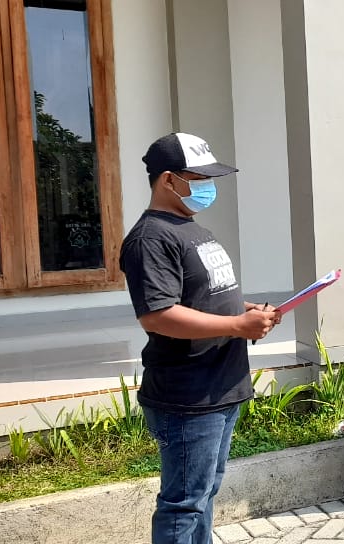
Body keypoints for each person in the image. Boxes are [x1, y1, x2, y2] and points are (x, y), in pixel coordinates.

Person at [120, 133, 280, 544]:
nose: (209, 186)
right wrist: (237, 326)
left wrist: (247, 311)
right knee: (184, 504)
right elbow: (157, 316)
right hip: (188, 396)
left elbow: (202, 296)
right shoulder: (150, 238)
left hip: (220, 388)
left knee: (204, 494)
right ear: (168, 180)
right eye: (199, 178)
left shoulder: (192, 229)